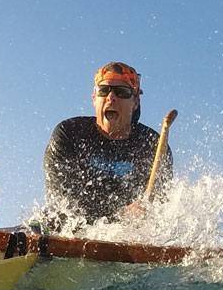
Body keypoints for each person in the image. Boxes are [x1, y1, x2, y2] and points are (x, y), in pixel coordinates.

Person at [42, 61, 173, 226]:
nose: (111, 97)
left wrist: (147, 210)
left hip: (130, 232)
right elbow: (61, 201)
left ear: (135, 102)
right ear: (94, 99)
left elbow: (160, 206)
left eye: (122, 92)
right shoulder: (70, 134)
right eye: (103, 90)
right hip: (70, 228)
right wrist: (120, 214)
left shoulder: (153, 146)